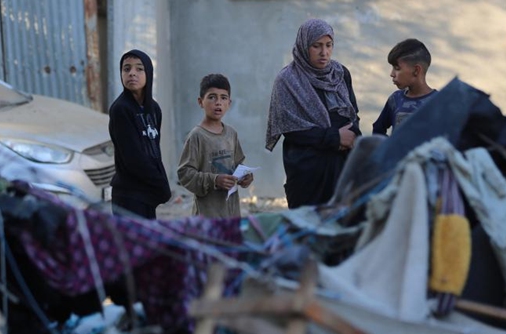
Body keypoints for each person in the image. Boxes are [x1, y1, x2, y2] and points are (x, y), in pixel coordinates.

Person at [266, 19, 361, 209]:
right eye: (316, 46)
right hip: (308, 170)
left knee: (340, 226)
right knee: (306, 228)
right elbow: (289, 127)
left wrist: (351, 137)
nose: (324, 52)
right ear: (304, 45)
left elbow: (352, 112)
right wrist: (335, 138)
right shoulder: (287, 80)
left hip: (341, 165)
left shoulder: (340, 73)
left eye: (328, 45)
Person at [177, 74, 253, 218]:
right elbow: (185, 174)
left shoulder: (231, 134)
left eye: (223, 98)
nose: (218, 102)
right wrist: (214, 180)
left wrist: (245, 176)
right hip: (207, 216)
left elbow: (238, 165)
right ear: (200, 102)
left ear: (229, 103)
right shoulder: (197, 136)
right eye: (212, 97)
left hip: (231, 213)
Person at [108, 49, 171, 219]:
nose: (132, 74)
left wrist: (161, 183)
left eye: (139, 69)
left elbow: (154, 150)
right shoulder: (121, 109)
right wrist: (160, 184)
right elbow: (133, 158)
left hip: (147, 195)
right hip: (129, 196)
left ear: (149, 73)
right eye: (126, 69)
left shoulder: (154, 109)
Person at [372, 39, 437, 136]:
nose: (392, 74)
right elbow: (378, 130)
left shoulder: (438, 102)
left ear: (416, 70)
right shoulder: (395, 99)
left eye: (397, 68)